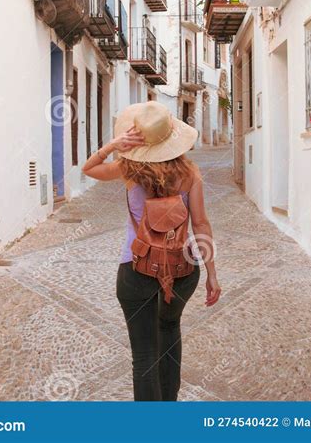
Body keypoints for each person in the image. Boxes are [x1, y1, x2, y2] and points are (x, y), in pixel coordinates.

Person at [82, 101, 221, 401]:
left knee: (143, 355)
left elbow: (88, 169)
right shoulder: (190, 174)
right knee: (169, 331)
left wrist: (114, 145)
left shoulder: (128, 170)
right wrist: (211, 274)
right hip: (182, 269)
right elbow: (201, 225)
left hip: (136, 269)